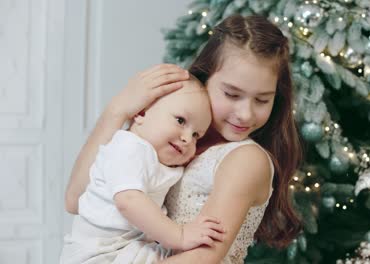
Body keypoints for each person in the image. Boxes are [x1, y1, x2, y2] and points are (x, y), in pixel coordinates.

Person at [65, 14, 303, 263]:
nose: (245, 114)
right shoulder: (179, 142)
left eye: (262, 100)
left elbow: (203, 258)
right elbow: (77, 201)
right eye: (232, 94)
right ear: (204, 77)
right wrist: (117, 110)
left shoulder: (245, 159)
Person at [60, 77, 225, 263]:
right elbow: (128, 200)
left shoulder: (158, 158)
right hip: (99, 253)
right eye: (180, 120)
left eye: (196, 135)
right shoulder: (130, 147)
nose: (187, 138)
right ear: (141, 113)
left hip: (123, 248)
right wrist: (180, 235)